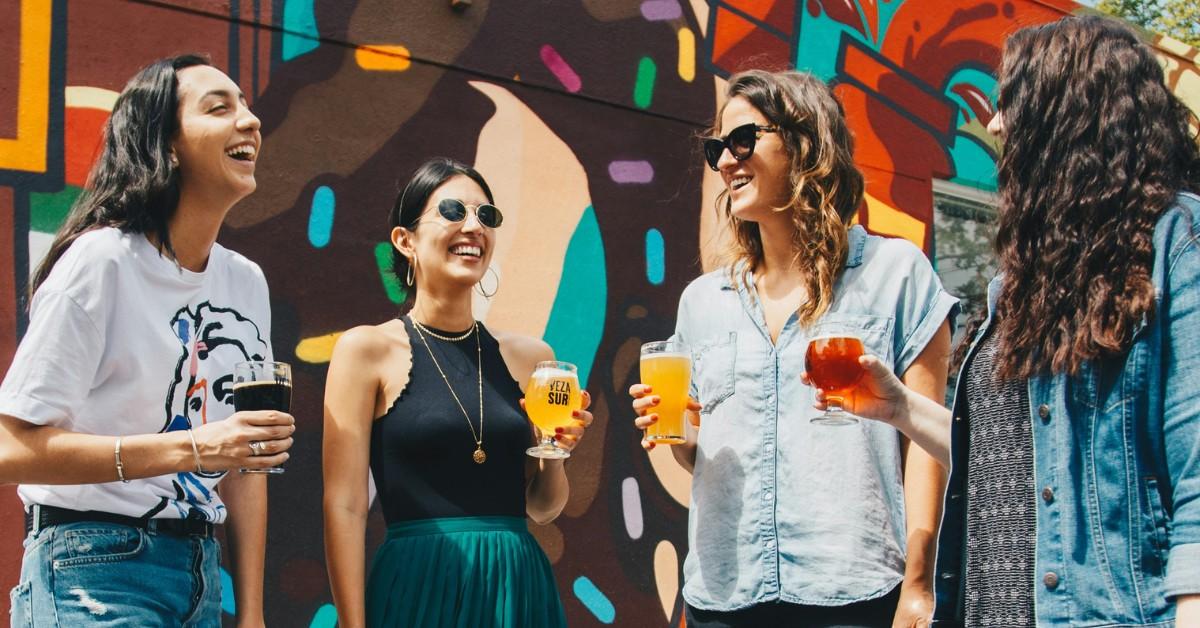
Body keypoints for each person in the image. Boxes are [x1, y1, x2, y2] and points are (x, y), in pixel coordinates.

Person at [803, 15, 1200, 627]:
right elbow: (1005, 456)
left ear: (1069, 112)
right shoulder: (1022, 281)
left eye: (1011, 103)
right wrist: (899, 408)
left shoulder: (1174, 242)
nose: (993, 124)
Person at [630, 69, 958, 627]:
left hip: (857, 597)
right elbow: (701, 456)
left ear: (807, 142)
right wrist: (681, 438)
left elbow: (924, 444)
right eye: (717, 149)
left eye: (743, 140)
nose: (726, 161)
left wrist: (920, 584)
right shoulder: (703, 302)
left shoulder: (895, 274)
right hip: (724, 599)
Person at [0, 55, 293, 627]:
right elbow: (9, 449)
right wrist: (194, 449)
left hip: (200, 574)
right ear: (168, 144)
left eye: (247, 106)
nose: (250, 121)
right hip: (91, 566)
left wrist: (253, 613)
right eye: (219, 107)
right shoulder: (101, 261)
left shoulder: (245, 281)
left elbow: (246, 465)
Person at [322, 157, 591, 628]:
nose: (474, 226)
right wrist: (351, 623)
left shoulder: (533, 357)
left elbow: (543, 509)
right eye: (453, 211)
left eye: (486, 216)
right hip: (417, 585)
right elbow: (343, 506)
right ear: (406, 241)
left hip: (516, 586)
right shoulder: (364, 350)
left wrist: (557, 453)